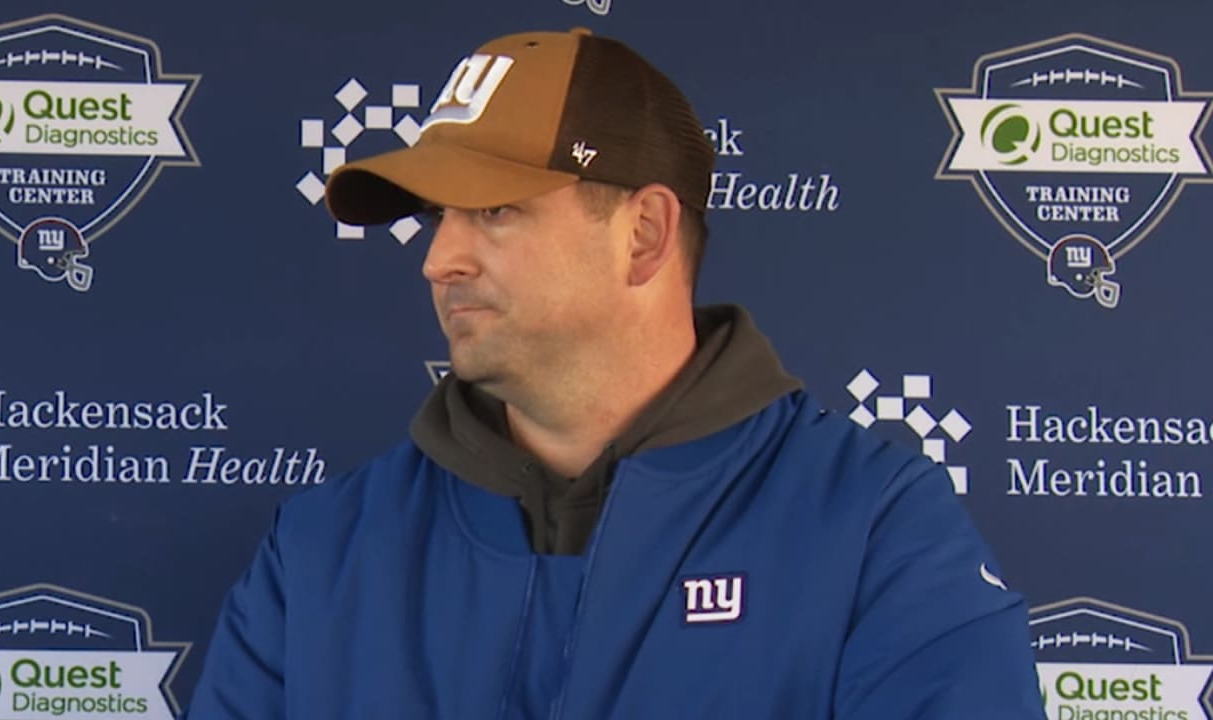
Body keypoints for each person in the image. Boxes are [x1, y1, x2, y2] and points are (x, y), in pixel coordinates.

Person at [187, 27, 1045, 719]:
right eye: (440, 217)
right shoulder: (321, 552)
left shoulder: (871, 530)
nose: (439, 259)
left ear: (642, 235)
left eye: (493, 211)